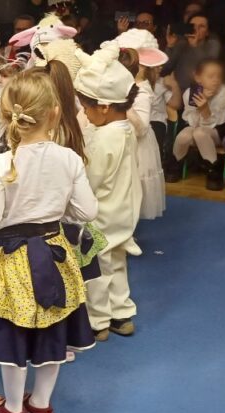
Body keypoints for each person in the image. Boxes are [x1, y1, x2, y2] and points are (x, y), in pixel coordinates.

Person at [0, 69, 98, 413]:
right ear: (55, 113)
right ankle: (41, 404)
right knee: (52, 327)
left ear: (6, 115)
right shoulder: (69, 159)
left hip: (12, 260)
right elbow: (88, 211)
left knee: (13, 332)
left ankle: (13, 408)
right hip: (54, 254)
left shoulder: (2, 162)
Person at [74, 43, 142, 342]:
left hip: (100, 213)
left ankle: (98, 320)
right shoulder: (125, 129)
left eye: (86, 107)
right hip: (122, 210)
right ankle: (121, 314)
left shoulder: (103, 139)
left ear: (103, 106)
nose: (84, 113)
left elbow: (91, 180)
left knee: (96, 268)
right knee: (116, 261)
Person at [115, 29, 169, 219]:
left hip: (137, 145)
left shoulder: (143, 91)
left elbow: (142, 128)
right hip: (119, 140)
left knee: (132, 182)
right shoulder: (124, 86)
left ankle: (128, 221)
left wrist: (123, 105)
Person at [174, 59, 225, 191]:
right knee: (185, 135)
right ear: (198, 78)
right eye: (211, 76)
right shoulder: (189, 93)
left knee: (200, 133)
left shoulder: (224, 91)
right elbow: (192, 122)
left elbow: (213, 122)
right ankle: (175, 164)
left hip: (222, 127)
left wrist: (204, 107)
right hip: (197, 127)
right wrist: (201, 106)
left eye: (219, 76)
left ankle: (214, 170)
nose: (216, 80)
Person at [163, 13, 222, 91]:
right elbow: (165, 69)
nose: (196, 29)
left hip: (202, 90)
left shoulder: (213, 45)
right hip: (177, 90)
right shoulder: (181, 44)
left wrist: (195, 46)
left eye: (201, 26)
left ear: (207, 32)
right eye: (193, 25)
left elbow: (209, 68)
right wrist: (170, 46)